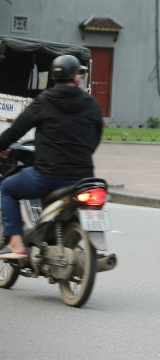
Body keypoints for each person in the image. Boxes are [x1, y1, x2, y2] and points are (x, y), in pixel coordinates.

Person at [0, 55, 103, 259]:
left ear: (55, 79)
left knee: (7, 189)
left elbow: (15, 131)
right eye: (79, 74)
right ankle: (68, 242)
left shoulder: (45, 100)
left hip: (48, 176)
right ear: (74, 77)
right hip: (84, 178)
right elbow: (96, 135)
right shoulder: (91, 103)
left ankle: (15, 242)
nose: (80, 77)